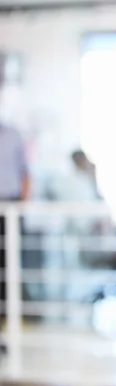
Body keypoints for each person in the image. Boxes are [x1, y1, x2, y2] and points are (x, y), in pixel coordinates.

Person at [0, 123, 29, 353]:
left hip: (9, 210)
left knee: (6, 274)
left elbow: (26, 174)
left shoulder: (13, 134)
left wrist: (20, 211)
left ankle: (5, 333)